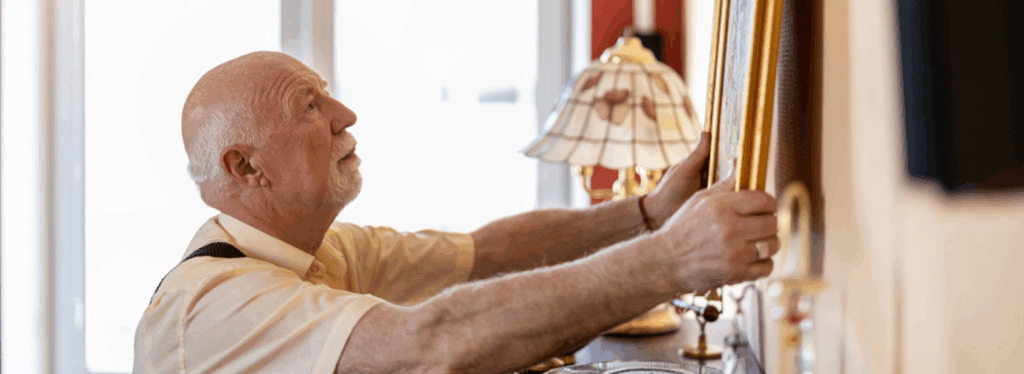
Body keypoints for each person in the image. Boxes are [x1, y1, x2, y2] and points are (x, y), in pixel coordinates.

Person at [133, 51, 779, 374]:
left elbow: (489, 253)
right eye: (308, 107)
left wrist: (647, 214)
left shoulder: (324, 253)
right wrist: (670, 261)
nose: (345, 117)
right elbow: (429, 344)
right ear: (246, 169)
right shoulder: (208, 305)